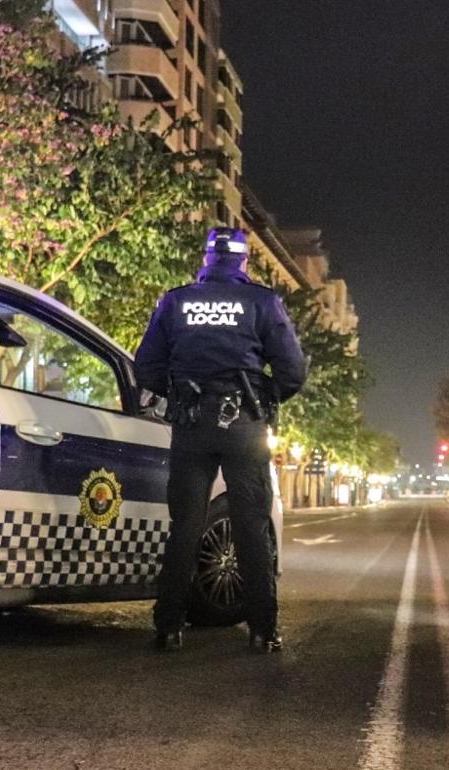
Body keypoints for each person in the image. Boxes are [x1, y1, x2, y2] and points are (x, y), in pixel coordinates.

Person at [135, 227, 307, 653]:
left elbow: (147, 367)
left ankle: (169, 627)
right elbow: (293, 372)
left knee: (186, 527)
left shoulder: (175, 302)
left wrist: (178, 392)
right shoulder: (263, 303)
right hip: (245, 424)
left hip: (191, 427)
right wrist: (264, 396)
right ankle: (263, 631)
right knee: (251, 527)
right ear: (245, 262)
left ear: (207, 259)